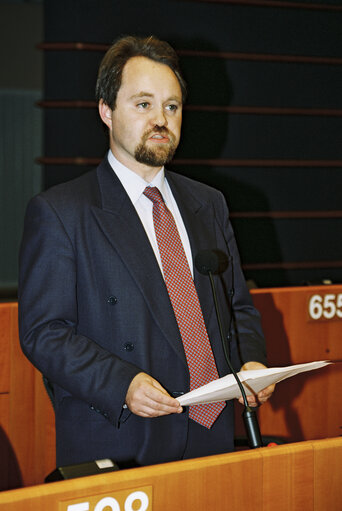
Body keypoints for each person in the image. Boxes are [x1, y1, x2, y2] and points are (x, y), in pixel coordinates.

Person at [18, 35, 274, 468]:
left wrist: (251, 362)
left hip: (212, 437)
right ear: (106, 110)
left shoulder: (208, 203)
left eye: (171, 107)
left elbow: (238, 308)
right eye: (143, 104)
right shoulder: (61, 212)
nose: (161, 119)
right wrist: (122, 384)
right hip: (121, 436)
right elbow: (44, 332)